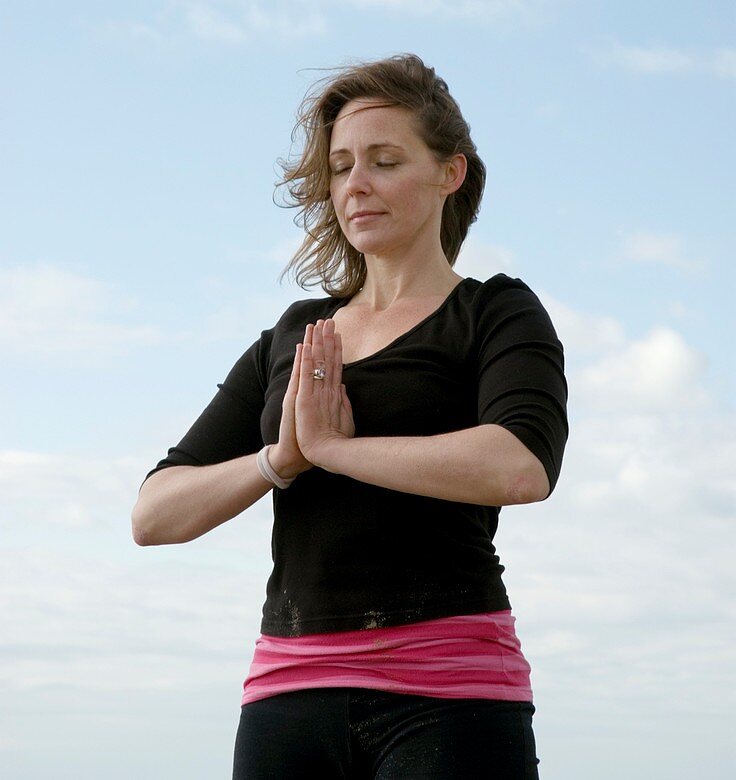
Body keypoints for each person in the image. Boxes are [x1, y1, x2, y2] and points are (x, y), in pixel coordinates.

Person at [132, 54, 568, 779]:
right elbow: (154, 515)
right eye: (340, 167)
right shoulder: (294, 334)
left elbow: (519, 466)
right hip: (287, 691)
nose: (356, 184)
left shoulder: (494, 312)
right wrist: (279, 460)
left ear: (448, 174)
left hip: (449, 690)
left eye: (385, 160)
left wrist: (336, 449)